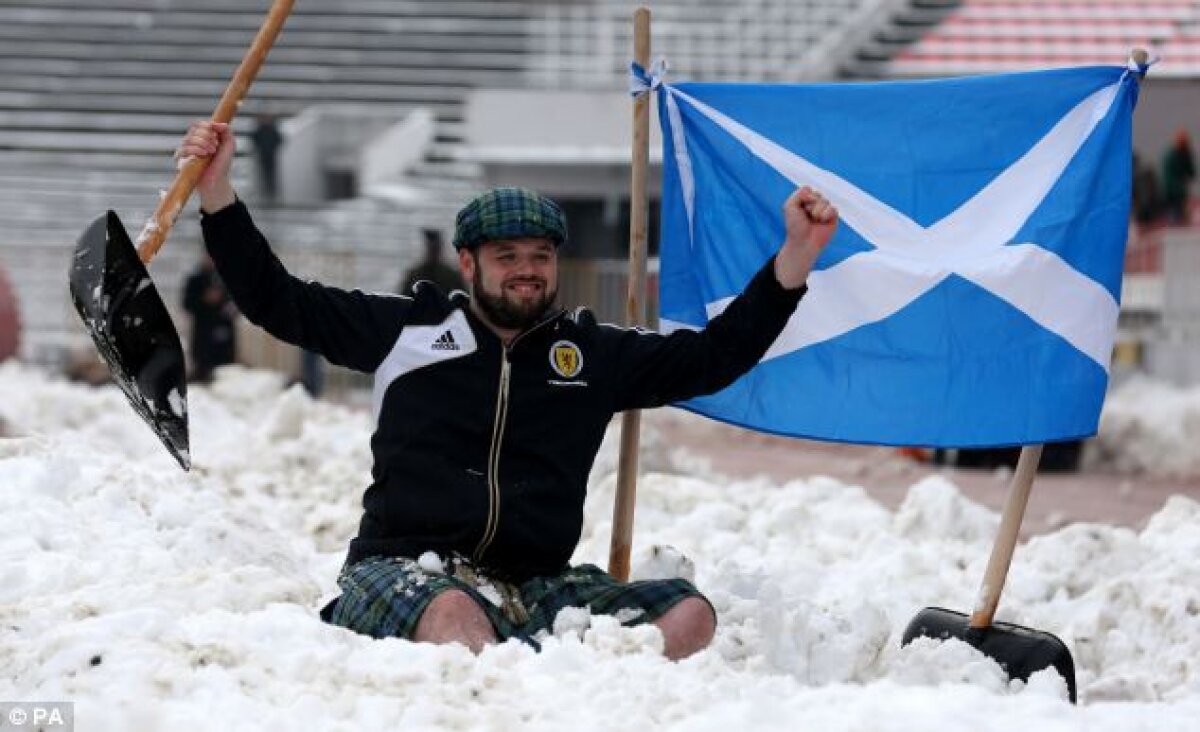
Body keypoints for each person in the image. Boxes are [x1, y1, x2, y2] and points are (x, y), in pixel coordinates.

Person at [178, 120, 838, 660]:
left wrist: (796, 259)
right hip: (410, 568)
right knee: (455, 617)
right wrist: (218, 193)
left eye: (541, 256)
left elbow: (715, 358)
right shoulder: (409, 331)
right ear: (468, 263)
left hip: (536, 585)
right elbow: (277, 301)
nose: (527, 271)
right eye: (507, 257)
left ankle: (584, 697)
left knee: (690, 615)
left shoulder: (591, 355)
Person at [181, 252, 238, 383]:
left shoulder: (228, 279)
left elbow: (237, 304)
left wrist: (229, 306)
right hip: (203, 332)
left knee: (224, 371)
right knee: (203, 367)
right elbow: (187, 304)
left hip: (224, 332)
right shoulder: (195, 280)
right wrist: (205, 299)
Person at [399, 228, 465, 294]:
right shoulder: (414, 275)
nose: (432, 253)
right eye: (431, 249)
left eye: (435, 249)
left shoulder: (452, 276)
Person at [1161, 128, 1195, 225]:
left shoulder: (1186, 154)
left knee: (1180, 211)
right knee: (1174, 211)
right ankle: (1176, 220)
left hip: (1180, 190)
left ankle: (1181, 219)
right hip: (1171, 191)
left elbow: (1191, 172)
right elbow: (1168, 178)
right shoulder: (1170, 156)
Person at [250, 113, 284, 205]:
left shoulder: (272, 130)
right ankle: (265, 191)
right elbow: (255, 138)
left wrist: (272, 147)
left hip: (271, 154)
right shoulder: (261, 130)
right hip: (263, 154)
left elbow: (279, 139)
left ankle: (271, 191)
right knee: (264, 173)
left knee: (271, 173)